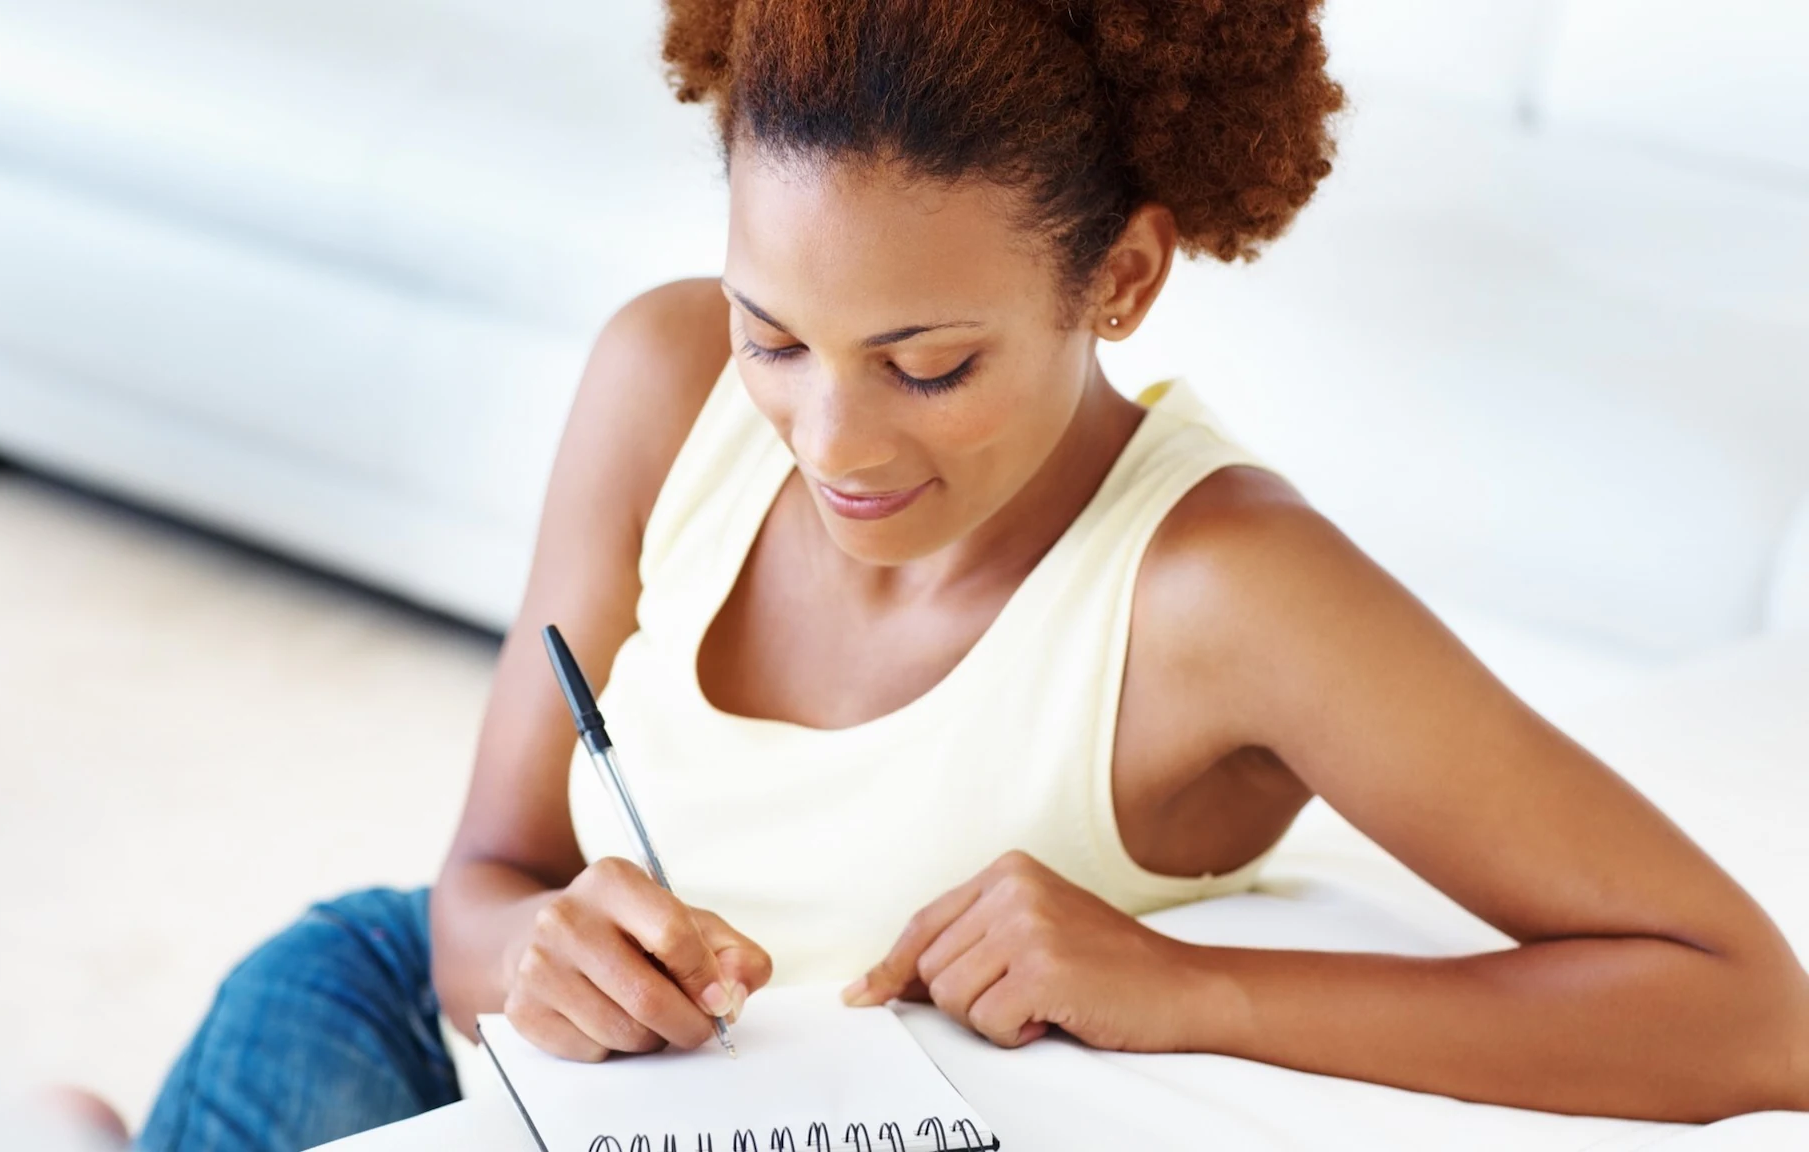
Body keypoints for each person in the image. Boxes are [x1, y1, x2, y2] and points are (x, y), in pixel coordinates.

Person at [135, 1, 1809, 1148]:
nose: (829, 440)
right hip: (397, 1044)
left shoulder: (1219, 592)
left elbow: (1749, 1012)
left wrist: (1186, 989)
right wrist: (549, 954)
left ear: (1128, 276)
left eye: (927, 363)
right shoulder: (659, 379)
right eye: (773, 335)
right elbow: (472, 896)